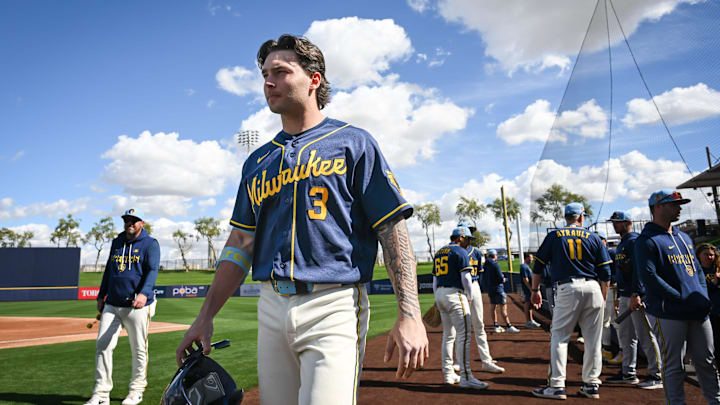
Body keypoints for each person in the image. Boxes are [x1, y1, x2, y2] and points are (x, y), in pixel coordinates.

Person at [175, 34, 429, 405]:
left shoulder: (354, 142)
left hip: (334, 303)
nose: (268, 81)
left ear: (314, 79)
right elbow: (240, 244)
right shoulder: (258, 161)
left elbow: (391, 227)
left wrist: (410, 313)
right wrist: (205, 315)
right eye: (264, 73)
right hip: (271, 304)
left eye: (280, 71)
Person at [636, 189, 720, 404]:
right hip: (669, 312)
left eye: (680, 204)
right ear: (657, 207)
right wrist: (682, 298)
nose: (679, 208)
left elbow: (698, 270)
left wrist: (702, 295)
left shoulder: (683, 236)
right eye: (673, 204)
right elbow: (650, 278)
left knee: (707, 361)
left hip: (697, 309)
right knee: (674, 365)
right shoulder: (646, 240)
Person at [530, 202, 612, 400]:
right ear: (581, 217)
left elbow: (538, 265)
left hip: (567, 288)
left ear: (565, 218)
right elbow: (606, 273)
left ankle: (556, 385)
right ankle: (591, 384)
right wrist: (603, 298)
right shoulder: (593, 237)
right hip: (593, 287)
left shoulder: (554, 236)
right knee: (593, 340)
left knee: (559, 336)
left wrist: (535, 290)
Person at [84, 208, 159, 405]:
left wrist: (144, 293)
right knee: (103, 345)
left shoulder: (150, 244)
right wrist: (101, 294)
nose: (130, 223)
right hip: (113, 303)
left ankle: (136, 390)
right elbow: (109, 268)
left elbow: (152, 270)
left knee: (138, 348)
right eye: (127, 220)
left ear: (142, 223)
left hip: (138, 305)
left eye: (134, 220)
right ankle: (101, 395)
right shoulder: (117, 242)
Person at [605, 210, 663, 389]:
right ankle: (628, 372)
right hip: (624, 294)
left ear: (628, 222)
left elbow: (640, 270)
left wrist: (636, 293)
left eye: (618, 221)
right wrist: (617, 296)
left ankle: (657, 375)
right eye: (613, 221)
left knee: (645, 335)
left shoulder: (635, 241)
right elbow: (622, 273)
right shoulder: (622, 244)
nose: (615, 225)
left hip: (637, 296)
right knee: (626, 336)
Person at [433, 226, 489, 389]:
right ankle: (466, 377)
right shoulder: (460, 252)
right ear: (461, 238)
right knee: (464, 336)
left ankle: (448, 373)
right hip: (455, 295)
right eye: (468, 239)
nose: (468, 243)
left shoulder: (440, 252)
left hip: (441, 294)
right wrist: (469, 297)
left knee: (448, 336)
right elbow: (466, 277)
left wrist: (437, 297)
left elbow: (435, 279)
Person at [463, 224, 505, 373]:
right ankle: (459, 361)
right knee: (460, 328)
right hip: (460, 288)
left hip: (474, 285)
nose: (470, 233)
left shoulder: (476, 252)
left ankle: (486, 360)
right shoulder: (454, 251)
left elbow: (479, 274)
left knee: (479, 323)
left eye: (471, 231)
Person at [696, 243, 720, 371]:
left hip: (718, 311)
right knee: (710, 345)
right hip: (706, 313)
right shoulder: (695, 271)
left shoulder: (717, 269)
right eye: (706, 254)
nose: (709, 257)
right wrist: (713, 283)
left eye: (711, 255)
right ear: (699, 255)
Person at [484, 249, 520, 333]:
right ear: (495, 255)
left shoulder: (486, 265)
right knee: (503, 307)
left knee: (493, 307)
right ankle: (508, 326)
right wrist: (503, 279)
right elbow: (500, 277)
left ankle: (496, 325)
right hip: (498, 289)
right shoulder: (495, 264)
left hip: (490, 289)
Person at [520, 252, 541, 328]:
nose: (532, 259)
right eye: (531, 257)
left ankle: (531, 320)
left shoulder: (526, 267)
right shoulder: (524, 267)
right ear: (526, 258)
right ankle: (528, 321)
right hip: (528, 290)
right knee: (527, 303)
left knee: (530, 304)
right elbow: (525, 279)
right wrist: (531, 289)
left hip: (530, 289)